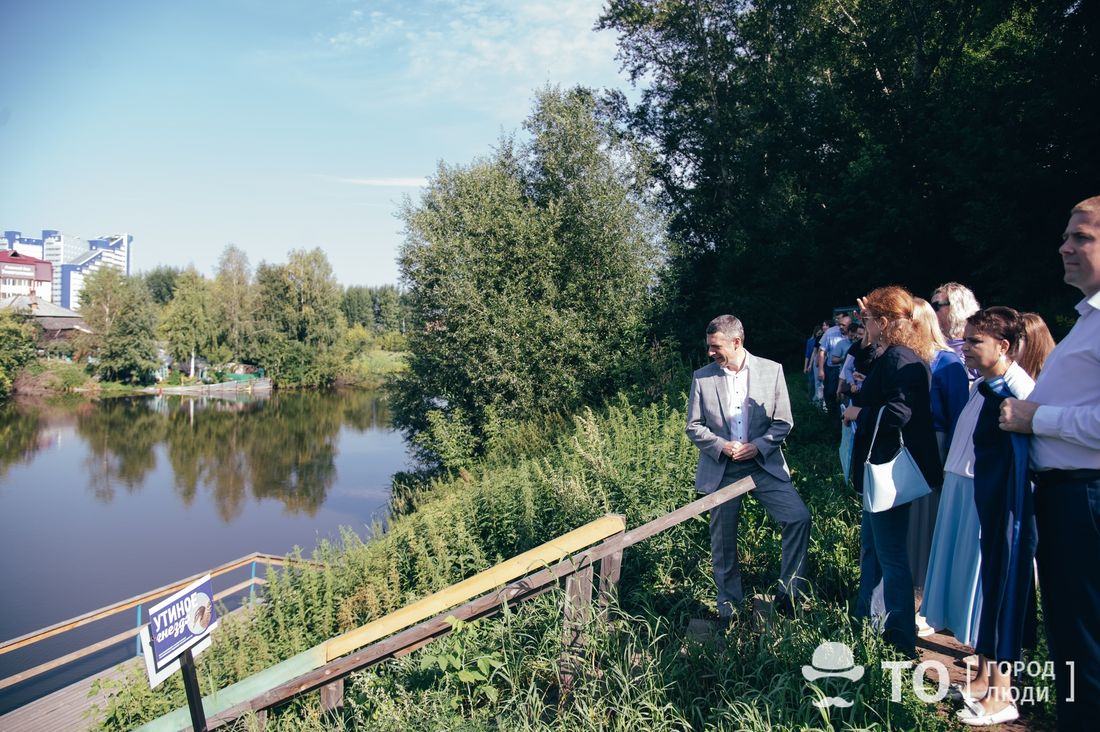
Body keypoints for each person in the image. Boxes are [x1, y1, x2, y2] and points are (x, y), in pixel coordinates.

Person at [999, 196, 1100, 731]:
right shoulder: (1088, 320)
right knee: (1070, 636)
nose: (1065, 246)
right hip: (1069, 499)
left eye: (1082, 236)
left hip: (1087, 498)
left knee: (1085, 641)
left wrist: (1037, 419)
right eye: (1066, 236)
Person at [951, 307, 1050, 726]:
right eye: (966, 340)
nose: (966, 348)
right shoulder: (988, 384)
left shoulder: (1019, 390)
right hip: (991, 505)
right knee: (993, 587)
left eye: (975, 341)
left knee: (1008, 590)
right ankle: (984, 679)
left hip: (1013, 510)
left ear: (1003, 346)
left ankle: (1004, 694)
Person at [686, 315, 812, 620]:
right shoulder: (702, 377)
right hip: (723, 469)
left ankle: (789, 595)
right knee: (723, 541)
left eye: (715, 346)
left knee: (798, 518)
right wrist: (721, 446)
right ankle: (729, 609)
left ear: (736, 342)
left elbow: (783, 422)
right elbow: (694, 426)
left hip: (763, 465)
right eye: (709, 346)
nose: (710, 352)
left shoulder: (772, 370)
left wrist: (759, 446)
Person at [844, 287, 942, 657]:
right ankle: (865, 623)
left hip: (888, 471)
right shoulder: (896, 354)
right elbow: (873, 368)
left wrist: (859, 412)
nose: (864, 325)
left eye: (868, 319)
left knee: (891, 556)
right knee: (872, 549)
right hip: (879, 471)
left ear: (884, 322)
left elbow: (900, 412)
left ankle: (900, 640)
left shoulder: (902, 358)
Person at [908, 297, 969, 637]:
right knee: (909, 529)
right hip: (907, 446)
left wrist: (949, 461)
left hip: (937, 447)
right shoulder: (907, 358)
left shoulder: (947, 362)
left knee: (927, 527)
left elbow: (959, 415)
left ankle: (925, 603)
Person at [931, 282, 981, 371]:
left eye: (935, 306)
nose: (930, 311)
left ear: (957, 306)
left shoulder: (981, 344)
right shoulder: (930, 344)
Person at [818, 313, 852, 420]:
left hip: (847, 370)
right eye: (839, 324)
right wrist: (821, 370)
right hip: (832, 368)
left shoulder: (855, 334)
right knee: (830, 392)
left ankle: (842, 415)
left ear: (850, 325)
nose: (840, 327)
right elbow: (822, 351)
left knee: (844, 393)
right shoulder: (830, 332)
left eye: (843, 325)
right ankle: (831, 416)